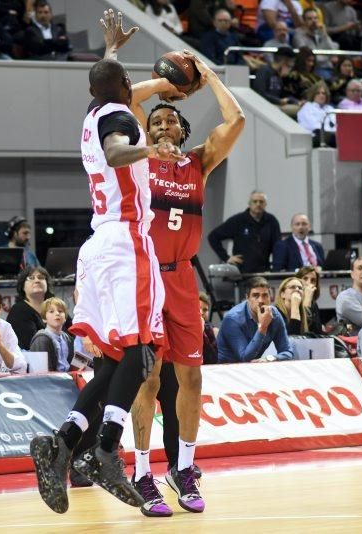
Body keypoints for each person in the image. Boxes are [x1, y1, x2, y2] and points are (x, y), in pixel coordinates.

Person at [29, 9, 179, 515]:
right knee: (142, 354)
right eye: (130, 80)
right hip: (127, 244)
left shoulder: (93, 112)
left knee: (114, 359)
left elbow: (105, 86)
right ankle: (108, 451)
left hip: (97, 246)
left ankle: (64, 445)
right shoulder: (116, 120)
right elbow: (118, 151)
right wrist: (152, 149)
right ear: (123, 87)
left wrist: (111, 50)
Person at [127, 48, 244, 516]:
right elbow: (123, 100)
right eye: (153, 122)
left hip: (181, 282)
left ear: (183, 129)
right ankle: (140, 472)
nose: (160, 126)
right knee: (149, 380)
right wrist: (162, 87)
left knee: (191, 376)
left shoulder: (198, 163)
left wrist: (209, 75)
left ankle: (186, 470)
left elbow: (235, 121)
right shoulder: (138, 159)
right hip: (145, 279)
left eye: (169, 120)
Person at [217, 276, 294, 362]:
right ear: (247, 298)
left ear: (270, 297)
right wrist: (263, 327)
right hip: (226, 369)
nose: (261, 300)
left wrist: (269, 358)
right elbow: (245, 358)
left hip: (254, 368)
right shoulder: (232, 319)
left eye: (265, 295)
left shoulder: (274, 315)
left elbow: (288, 352)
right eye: (255, 296)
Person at [208, 191, 282, 273]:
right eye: (255, 201)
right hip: (242, 273)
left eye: (261, 202)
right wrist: (226, 257)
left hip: (265, 271)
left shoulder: (271, 221)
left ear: (265, 204)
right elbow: (213, 236)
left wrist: (276, 269)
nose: (258, 204)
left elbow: (278, 247)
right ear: (249, 204)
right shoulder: (238, 220)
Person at [7, 266, 54, 349]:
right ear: (23, 286)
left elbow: (72, 336)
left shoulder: (55, 307)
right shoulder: (18, 311)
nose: (37, 280)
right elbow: (32, 345)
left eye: (41, 277)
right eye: (31, 278)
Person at [251, 46, 300, 117]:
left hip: (276, 105)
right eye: (290, 66)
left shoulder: (279, 75)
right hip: (265, 106)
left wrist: (297, 101)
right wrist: (279, 101)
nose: (290, 69)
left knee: (303, 109)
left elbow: (283, 96)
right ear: (284, 62)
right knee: (300, 111)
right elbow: (260, 93)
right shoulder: (264, 71)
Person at [29, 297, 74, 371]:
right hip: (50, 381)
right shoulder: (41, 339)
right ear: (44, 318)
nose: (57, 314)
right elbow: (40, 372)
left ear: (65, 318)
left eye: (60, 311)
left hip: (68, 379)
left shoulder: (68, 338)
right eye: (51, 311)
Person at [292, 9, 338, 79]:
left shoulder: (321, 33)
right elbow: (306, 56)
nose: (314, 21)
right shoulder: (298, 35)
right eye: (310, 19)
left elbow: (332, 51)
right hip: (315, 69)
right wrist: (327, 58)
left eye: (315, 18)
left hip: (329, 68)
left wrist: (324, 34)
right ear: (304, 21)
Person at [297, 81, 337, 147]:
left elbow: (336, 125)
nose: (321, 95)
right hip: (313, 138)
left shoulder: (330, 109)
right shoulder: (307, 107)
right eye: (318, 93)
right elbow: (313, 126)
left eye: (323, 93)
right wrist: (331, 132)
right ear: (313, 95)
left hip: (331, 137)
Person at [296, 265, 323, 333]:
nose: (309, 283)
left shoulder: (314, 304)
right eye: (305, 278)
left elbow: (317, 332)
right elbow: (302, 331)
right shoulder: (292, 302)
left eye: (313, 280)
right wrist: (307, 301)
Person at [199, 292, 218, 365]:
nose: (201, 312)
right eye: (198, 308)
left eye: (205, 310)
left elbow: (212, 360)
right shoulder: (183, 328)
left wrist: (202, 333)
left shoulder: (210, 330)